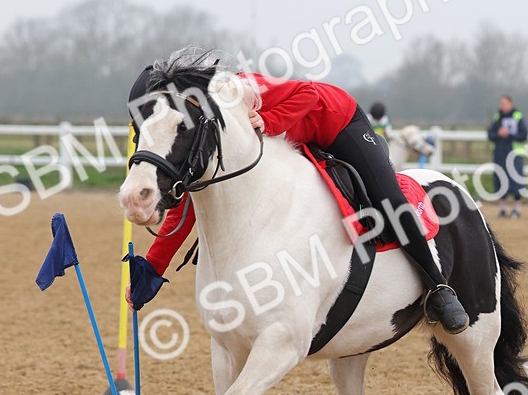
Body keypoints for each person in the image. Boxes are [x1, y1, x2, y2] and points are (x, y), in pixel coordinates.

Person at [126, 60, 469, 333]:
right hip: (298, 138)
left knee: (388, 199)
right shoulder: (207, 128)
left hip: (338, 121)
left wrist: (268, 120)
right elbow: (189, 203)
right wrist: (153, 269)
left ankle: (439, 288)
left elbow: (309, 94)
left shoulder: (238, 89)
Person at [487, 94, 528, 217]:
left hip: (514, 154)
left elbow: (524, 135)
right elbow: (490, 135)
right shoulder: (497, 117)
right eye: (501, 104)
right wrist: (498, 134)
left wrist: (509, 134)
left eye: (504, 104)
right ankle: (503, 209)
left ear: (511, 103)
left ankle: (517, 209)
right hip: (500, 154)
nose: (502, 106)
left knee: (516, 181)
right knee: (500, 180)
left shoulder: (518, 116)